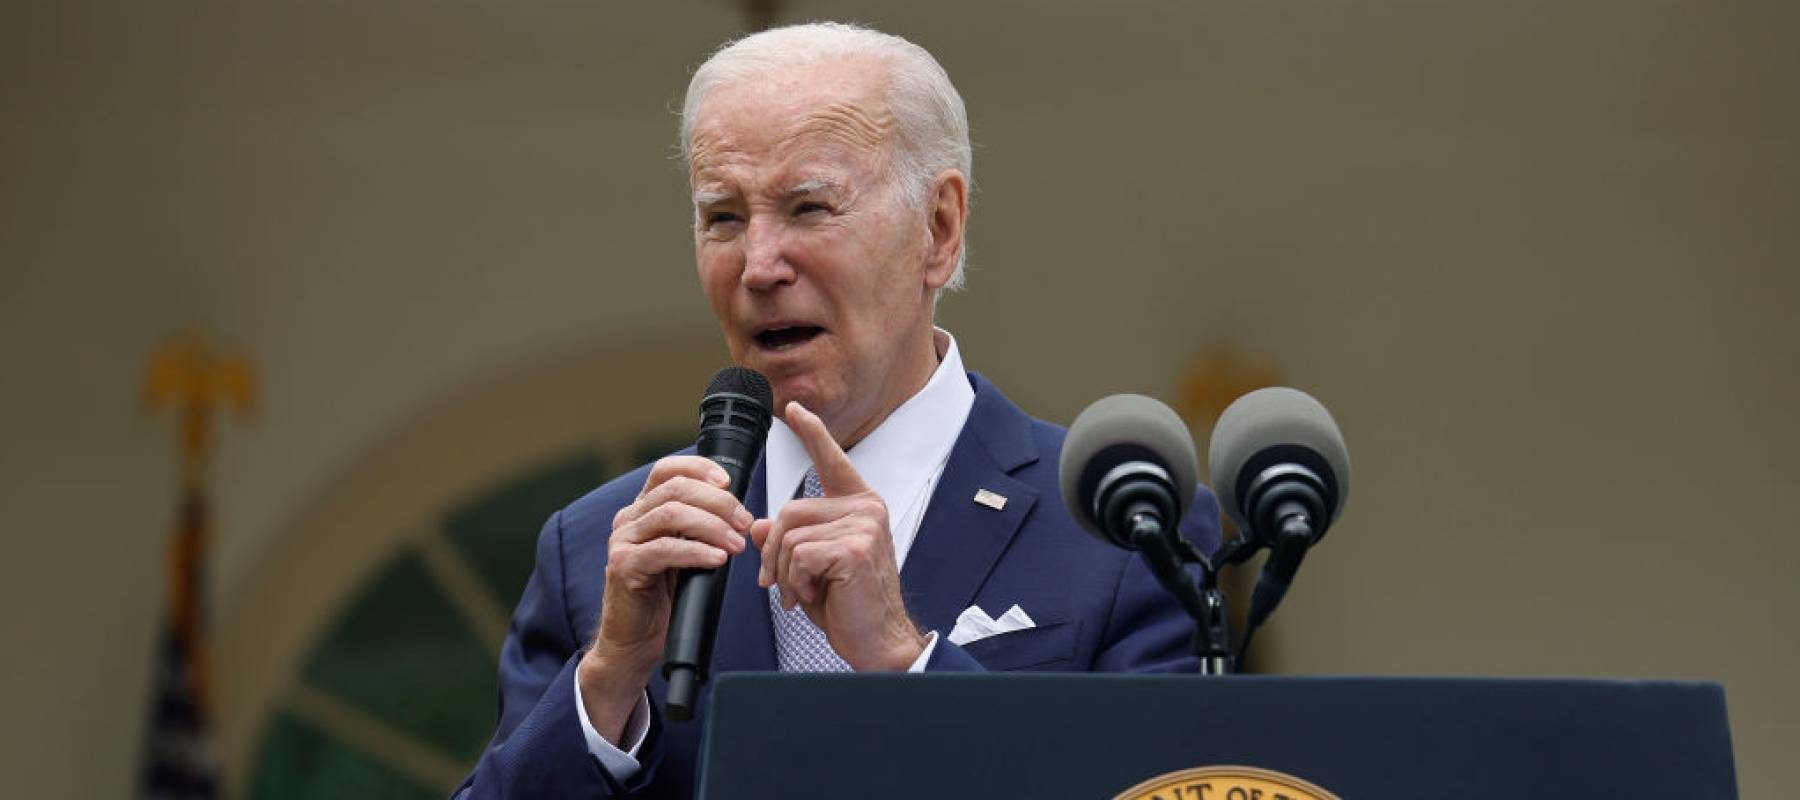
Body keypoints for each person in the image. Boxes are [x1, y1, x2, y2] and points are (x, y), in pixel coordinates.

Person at [454, 22, 1219, 799]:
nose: (757, 265)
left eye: (809, 207)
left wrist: (904, 658)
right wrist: (609, 682)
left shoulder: (1127, 527)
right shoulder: (597, 550)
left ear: (939, 230)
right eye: (723, 216)